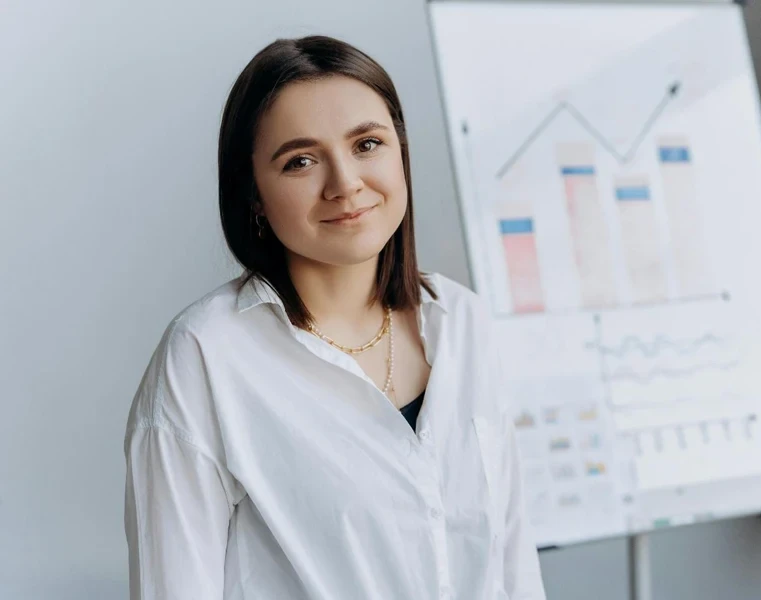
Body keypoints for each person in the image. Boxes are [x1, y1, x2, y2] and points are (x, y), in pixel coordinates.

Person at [123, 35, 546, 599]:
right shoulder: (205, 357)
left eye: (367, 144)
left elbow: (513, 566)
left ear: (400, 151)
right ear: (253, 192)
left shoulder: (463, 321)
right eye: (300, 161)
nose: (345, 183)